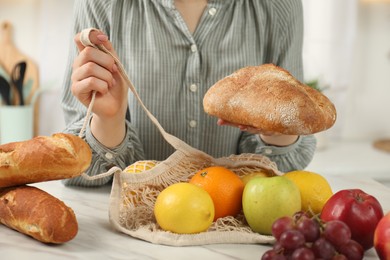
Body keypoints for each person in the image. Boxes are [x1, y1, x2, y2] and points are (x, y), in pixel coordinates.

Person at [61, 0, 316, 187]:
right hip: (127, 234)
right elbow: (77, 168)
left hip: (238, 227)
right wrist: (108, 120)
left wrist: (278, 127)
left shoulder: (280, 6)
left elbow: (282, 168)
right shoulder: (100, 4)